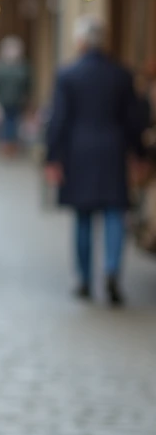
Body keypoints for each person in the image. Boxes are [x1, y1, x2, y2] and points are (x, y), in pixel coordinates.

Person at [45, 16, 142, 306]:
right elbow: (133, 120)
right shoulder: (121, 74)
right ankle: (111, 270)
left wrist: (53, 157)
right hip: (113, 151)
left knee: (83, 217)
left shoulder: (68, 75)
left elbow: (58, 119)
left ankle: (84, 278)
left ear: (80, 42)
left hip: (79, 152)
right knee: (114, 213)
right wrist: (138, 154)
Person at [0, 36, 31, 156]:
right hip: (6, 100)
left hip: (15, 101)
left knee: (12, 122)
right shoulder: (2, 67)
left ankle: (11, 144)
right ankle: (8, 145)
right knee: (8, 122)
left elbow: (27, 84)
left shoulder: (21, 67)